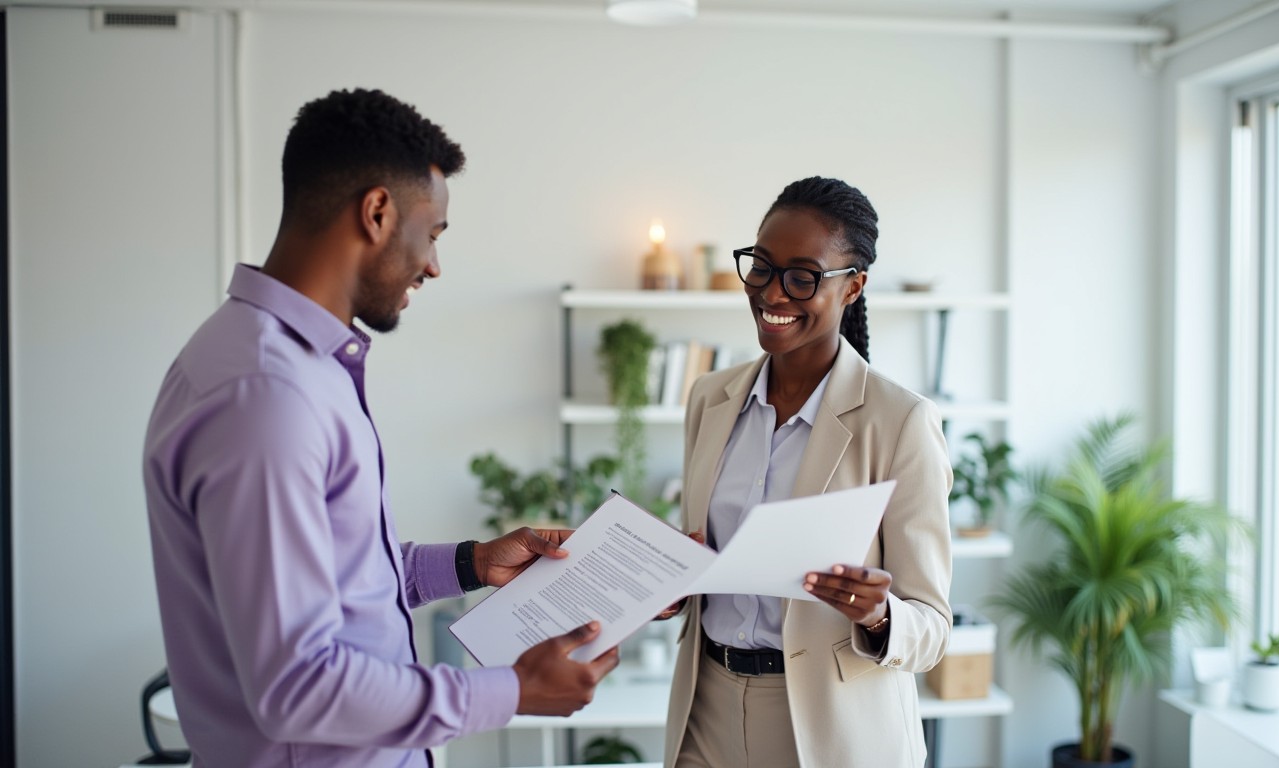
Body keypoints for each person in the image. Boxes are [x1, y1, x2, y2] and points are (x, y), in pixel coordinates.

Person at [142, 88, 619, 767]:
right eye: (433, 234)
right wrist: (509, 691)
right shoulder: (268, 395)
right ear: (376, 212)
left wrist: (471, 563)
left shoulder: (285, 364)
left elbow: (337, 577)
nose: (433, 265)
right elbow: (297, 687)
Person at [660, 177, 954, 768]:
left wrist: (878, 613)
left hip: (828, 728)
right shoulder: (710, 397)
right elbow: (704, 563)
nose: (773, 292)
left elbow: (933, 628)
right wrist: (669, 577)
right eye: (761, 267)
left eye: (802, 276)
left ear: (853, 287)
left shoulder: (900, 421)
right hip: (706, 707)